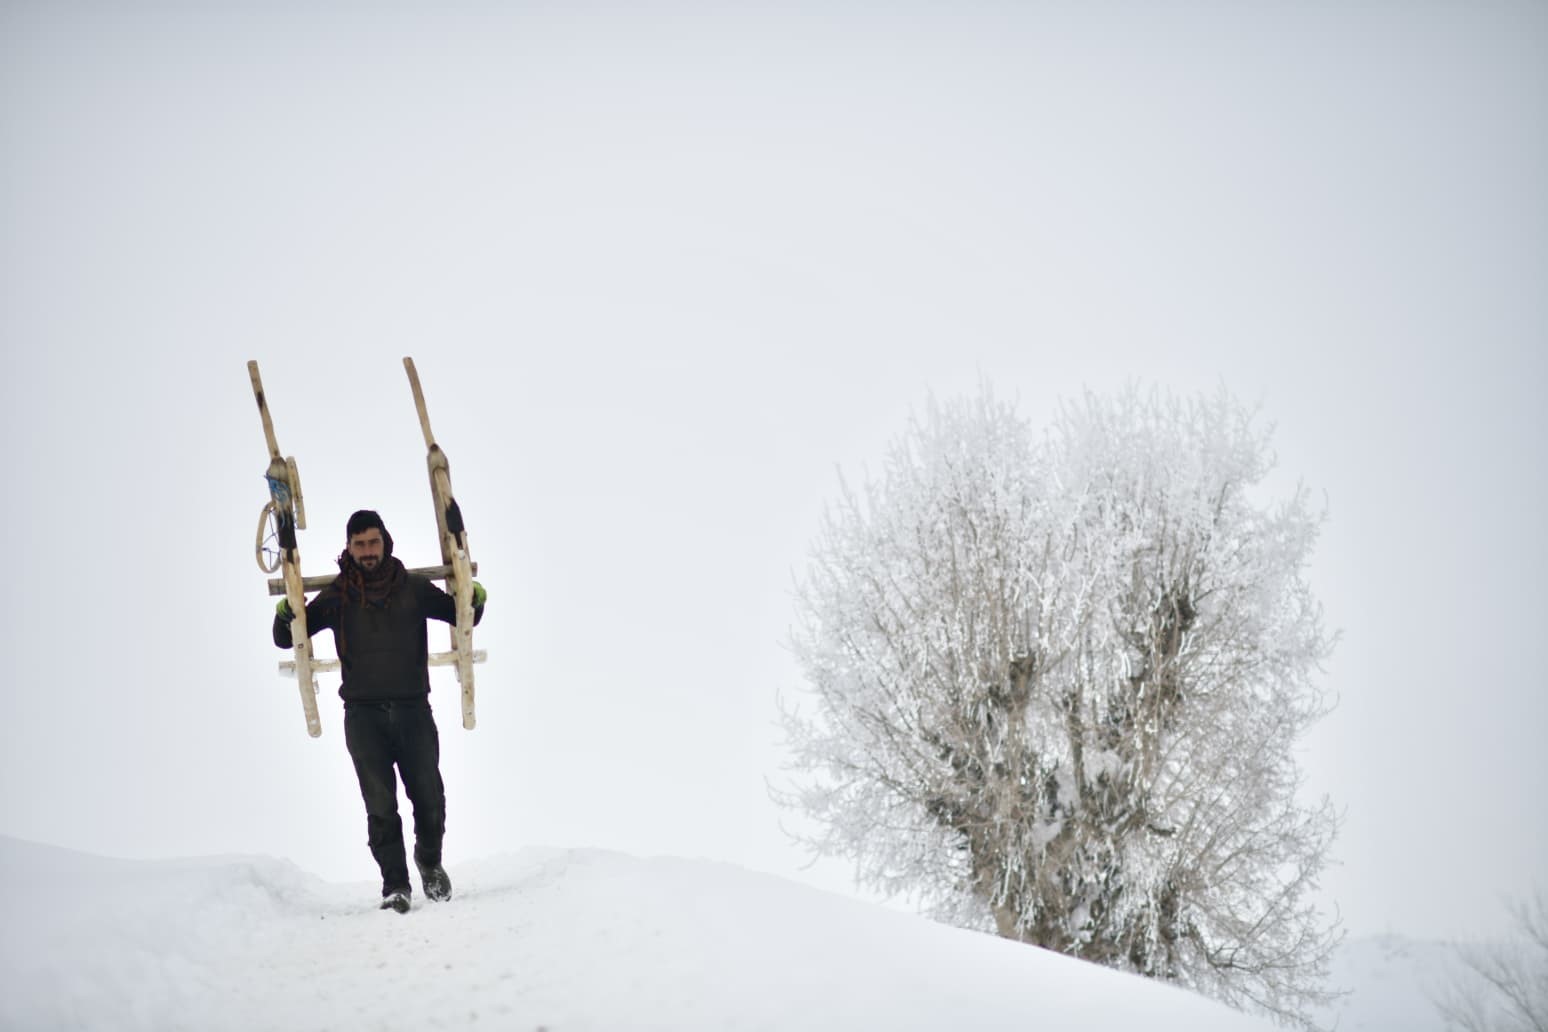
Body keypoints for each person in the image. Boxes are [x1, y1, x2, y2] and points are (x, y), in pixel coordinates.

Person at [273, 509, 486, 914]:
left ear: (385, 542)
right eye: (360, 545)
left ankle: (429, 861)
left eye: (373, 542)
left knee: (429, 798)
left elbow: (463, 616)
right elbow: (288, 637)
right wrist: (287, 612)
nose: (368, 551)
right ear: (349, 548)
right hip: (363, 716)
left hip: (413, 710)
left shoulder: (412, 589)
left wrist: (474, 596)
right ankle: (395, 886)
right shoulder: (338, 596)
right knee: (380, 806)